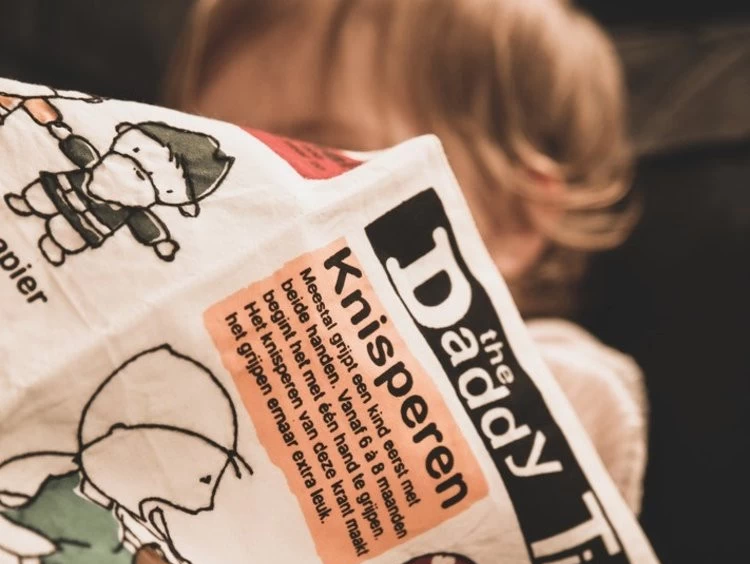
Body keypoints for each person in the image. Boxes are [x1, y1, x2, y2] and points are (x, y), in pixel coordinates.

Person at [164, 0, 647, 511]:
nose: (241, 203)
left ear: (513, 220)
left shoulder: (566, 383)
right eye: (207, 161)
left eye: (311, 156)